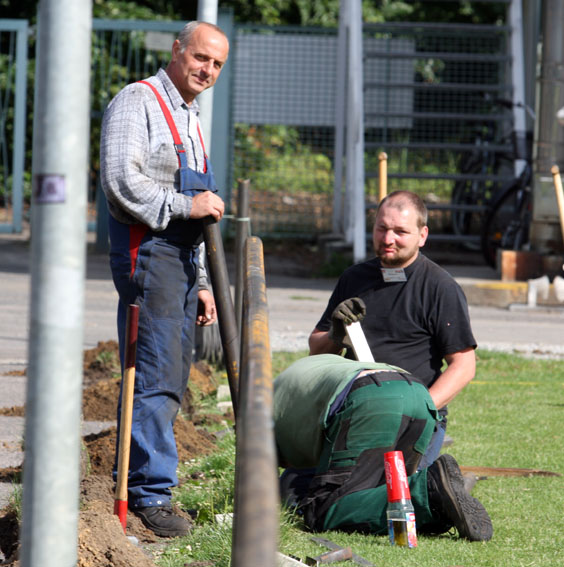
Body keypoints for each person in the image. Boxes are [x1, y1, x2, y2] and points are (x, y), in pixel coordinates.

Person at [99, 21, 229, 537]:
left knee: (172, 375)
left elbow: (198, 215)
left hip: (180, 261)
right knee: (153, 374)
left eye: (217, 64)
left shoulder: (189, 116)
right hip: (149, 253)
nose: (207, 70)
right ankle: (148, 495)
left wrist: (201, 281)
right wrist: (184, 205)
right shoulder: (139, 101)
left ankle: (151, 485)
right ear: (177, 50)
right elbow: (120, 180)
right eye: (200, 57)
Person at [309, 190, 477, 469]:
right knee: (304, 484)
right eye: (382, 228)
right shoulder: (353, 278)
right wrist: (335, 335)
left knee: (392, 487)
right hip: (356, 410)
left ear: (422, 235)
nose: (388, 239)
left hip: (414, 417)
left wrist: (419, 408)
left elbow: (464, 365)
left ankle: (436, 483)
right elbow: (316, 349)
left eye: (400, 232)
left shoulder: (441, 287)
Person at [274, 354, 493, 541]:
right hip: (419, 395)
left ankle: (428, 489)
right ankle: (440, 507)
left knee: (321, 509)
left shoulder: (264, 416)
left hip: (370, 399)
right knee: (388, 493)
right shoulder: (292, 389)